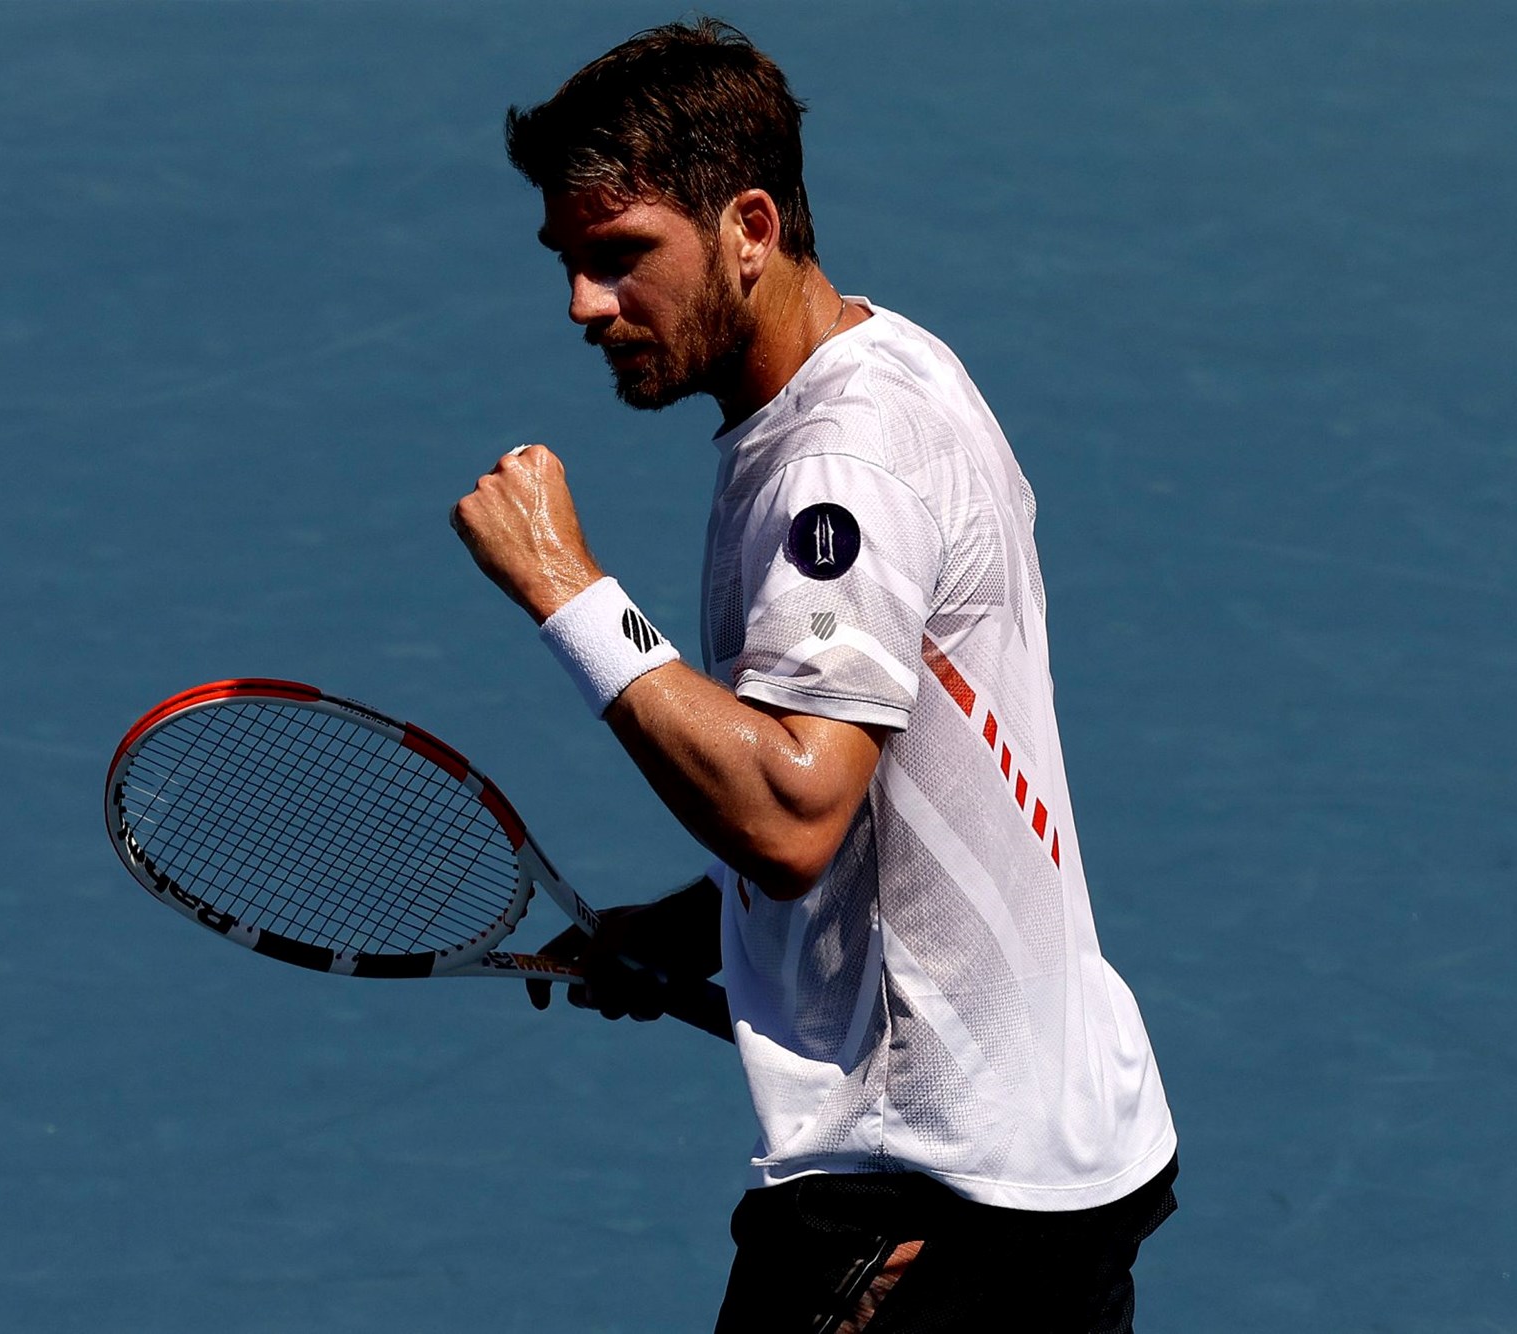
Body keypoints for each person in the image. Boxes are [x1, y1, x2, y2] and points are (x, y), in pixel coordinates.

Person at [450, 18, 1178, 1333]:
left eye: (621, 261)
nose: (583, 306)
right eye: (567, 264)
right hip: (1046, 1158)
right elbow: (884, 788)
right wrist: (691, 925)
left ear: (749, 224)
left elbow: (794, 815)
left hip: (929, 1208)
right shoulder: (889, 365)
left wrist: (568, 589)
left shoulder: (837, 473)